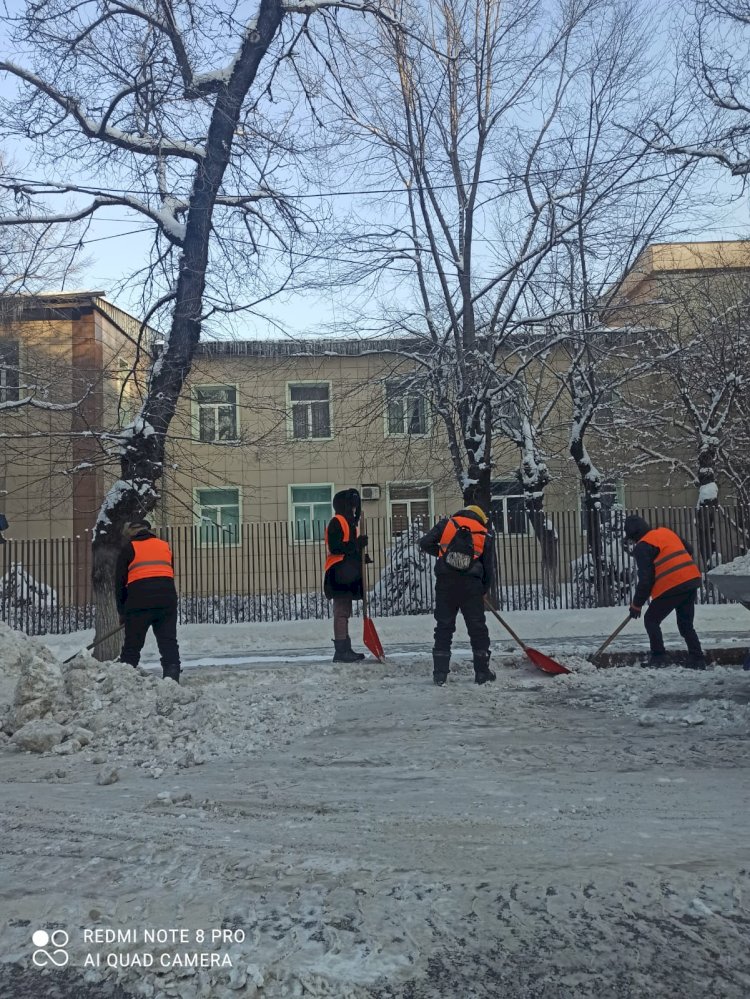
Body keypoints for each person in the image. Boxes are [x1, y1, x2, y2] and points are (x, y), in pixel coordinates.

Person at [419, 504, 495, 686]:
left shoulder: (447, 524)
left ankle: (440, 674)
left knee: (444, 627)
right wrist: (483, 589)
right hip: (471, 585)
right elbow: (488, 567)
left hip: (446, 583)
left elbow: (424, 543)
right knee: (477, 628)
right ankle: (482, 673)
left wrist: (444, 555)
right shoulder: (484, 533)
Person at [624, 514, 706, 669]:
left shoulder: (642, 546)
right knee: (685, 624)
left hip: (673, 585)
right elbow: (689, 549)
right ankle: (697, 658)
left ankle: (659, 657)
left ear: (633, 536)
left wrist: (636, 605)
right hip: (691, 579)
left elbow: (646, 580)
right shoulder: (665, 532)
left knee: (651, 620)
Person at [115, 519, 181, 682]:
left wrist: (122, 612)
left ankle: (125, 679)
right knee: (168, 642)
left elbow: (119, 584)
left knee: (132, 645)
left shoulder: (129, 548)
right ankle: (172, 676)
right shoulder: (164, 546)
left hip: (139, 603)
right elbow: (168, 573)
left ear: (132, 531)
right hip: (166, 602)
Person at [324, 489, 369, 663]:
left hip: (346, 573)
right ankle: (341, 651)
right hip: (339, 574)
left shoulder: (349, 524)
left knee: (345, 612)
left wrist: (361, 555)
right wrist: (356, 545)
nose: (354, 510)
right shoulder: (337, 522)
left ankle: (345, 648)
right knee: (341, 612)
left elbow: (349, 549)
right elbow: (336, 547)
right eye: (352, 506)